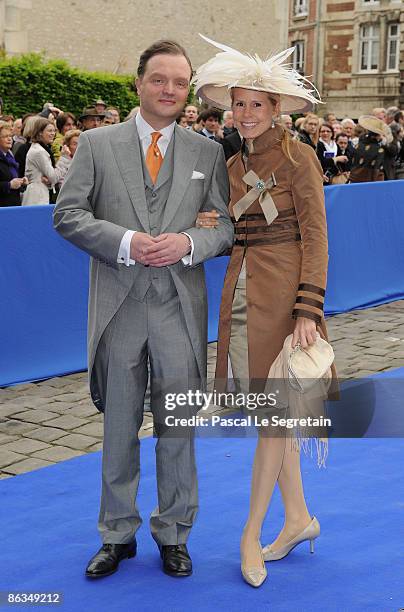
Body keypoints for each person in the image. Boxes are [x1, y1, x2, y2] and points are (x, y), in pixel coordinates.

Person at [53, 39, 233, 580]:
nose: (170, 91)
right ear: (139, 83)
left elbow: (222, 226)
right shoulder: (97, 144)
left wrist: (189, 245)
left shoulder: (206, 152)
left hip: (179, 308)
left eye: (180, 83)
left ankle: (175, 533)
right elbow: (68, 214)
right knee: (119, 427)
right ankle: (117, 534)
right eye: (160, 80)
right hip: (120, 307)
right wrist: (127, 240)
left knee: (178, 427)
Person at [193, 36, 335, 588]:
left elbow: (317, 238)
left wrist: (309, 308)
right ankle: (298, 518)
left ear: (276, 108)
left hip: (288, 302)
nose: (245, 113)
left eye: (256, 103)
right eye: (238, 103)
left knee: (275, 419)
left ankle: (251, 532)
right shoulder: (230, 165)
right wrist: (216, 227)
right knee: (266, 416)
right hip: (243, 299)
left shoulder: (300, 160)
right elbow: (236, 230)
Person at [22, 118, 70, 205]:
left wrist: (50, 182)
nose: (53, 134)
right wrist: (64, 158)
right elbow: (54, 177)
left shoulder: (40, 149)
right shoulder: (39, 151)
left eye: (54, 131)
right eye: (49, 131)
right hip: (37, 197)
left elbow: (51, 178)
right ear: (40, 132)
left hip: (39, 193)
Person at [350, 115, 386, 183]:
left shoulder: (359, 144)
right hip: (369, 181)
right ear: (378, 135)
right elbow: (376, 169)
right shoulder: (379, 150)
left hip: (354, 178)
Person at [0, 120, 27, 206]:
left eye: (10, 136)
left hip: (13, 205)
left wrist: (21, 182)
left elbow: (12, 179)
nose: (9, 139)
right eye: (5, 136)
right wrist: (9, 185)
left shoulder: (9, 156)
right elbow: (9, 183)